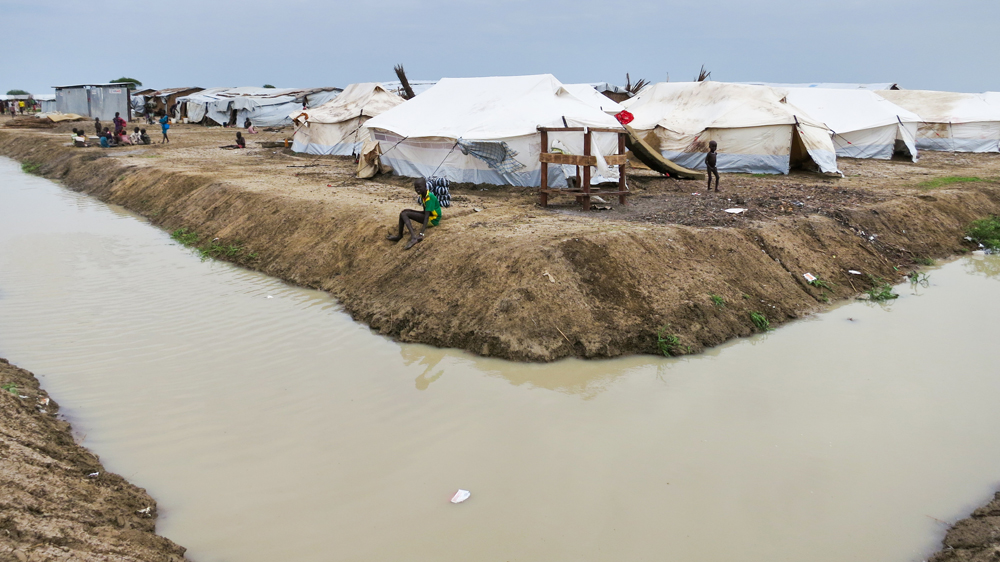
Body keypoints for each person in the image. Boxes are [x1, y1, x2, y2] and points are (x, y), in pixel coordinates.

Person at [386, 178, 442, 249]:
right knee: (403, 212)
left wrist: (421, 233)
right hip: (430, 216)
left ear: (425, 186)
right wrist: (411, 211)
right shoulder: (423, 195)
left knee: (405, 214)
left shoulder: (429, 197)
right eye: (416, 187)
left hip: (433, 220)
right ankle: (399, 236)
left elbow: (426, 216)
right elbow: (425, 212)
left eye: (419, 187)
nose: (417, 189)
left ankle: (414, 237)